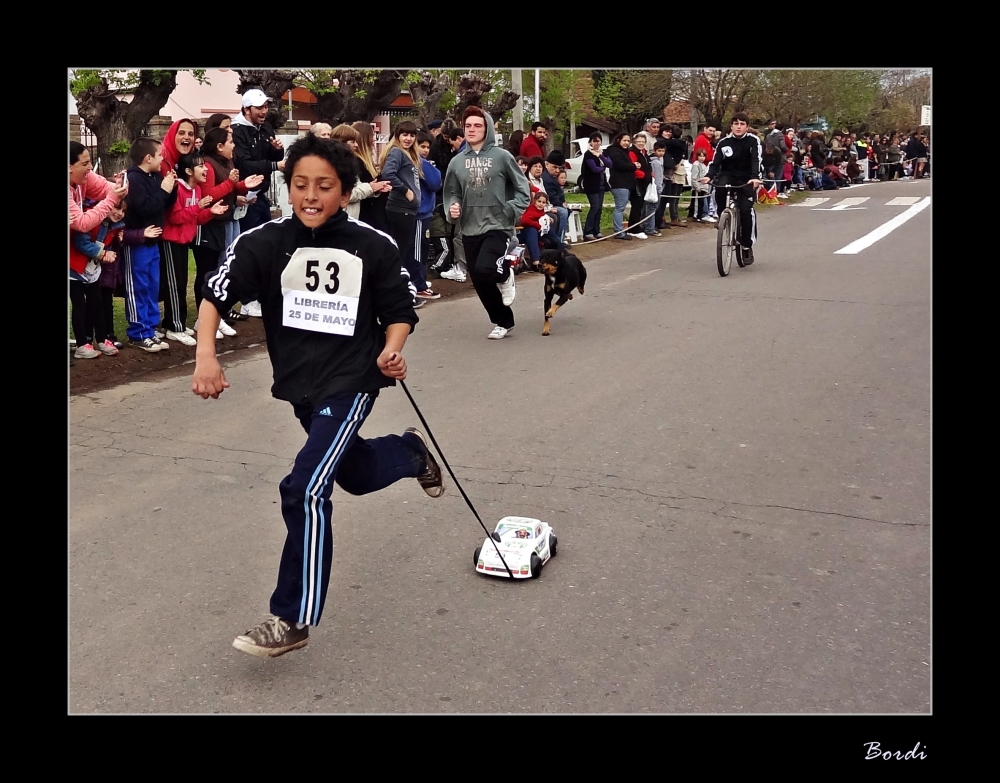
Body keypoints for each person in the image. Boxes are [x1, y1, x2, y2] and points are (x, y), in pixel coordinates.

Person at [192, 134, 443, 659]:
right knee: (353, 473)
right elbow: (216, 294)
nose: (311, 196)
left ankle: (293, 617)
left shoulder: (373, 245)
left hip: (352, 380)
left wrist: (391, 351)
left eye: (324, 186)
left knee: (304, 487)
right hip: (300, 385)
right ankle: (409, 452)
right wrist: (206, 357)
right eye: (301, 185)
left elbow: (400, 312)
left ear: (346, 192)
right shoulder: (262, 241)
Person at [442, 106, 530, 340]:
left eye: (477, 125)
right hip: (469, 226)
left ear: (487, 128)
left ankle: (504, 275)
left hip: (498, 225)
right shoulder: (457, 162)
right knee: (478, 277)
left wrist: (511, 210)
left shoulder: (502, 157)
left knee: (486, 268)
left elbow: (523, 189)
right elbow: (451, 193)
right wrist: (453, 207)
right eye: (468, 126)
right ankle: (503, 320)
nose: (471, 130)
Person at [192, 126, 265, 339]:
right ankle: (203, 319)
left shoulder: (227, 162)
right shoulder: (208, 163)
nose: (234, 145)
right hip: (207, 225)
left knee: (218, 268)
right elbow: (209, 195)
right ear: (219, 146)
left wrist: (242, 186)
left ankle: (217, 315)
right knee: (206, 271)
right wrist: (231, 183)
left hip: (221, 222)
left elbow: (229, 189)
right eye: (230, 142)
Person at [160, 151, 229, 345]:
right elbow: (175, 218)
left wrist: (209, 212)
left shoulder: (197, 190)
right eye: (200, 166)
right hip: (171, 241)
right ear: (189, 170)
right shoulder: (179, 189)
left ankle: (177, 323)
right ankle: (175, 327)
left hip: (184, 241)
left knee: (182, 283)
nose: (206, 169)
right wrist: (198, 207)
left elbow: (195, 219)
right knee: (175, 285)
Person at [231, 88, 286, 318]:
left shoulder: (265, 128)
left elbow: (274, 158)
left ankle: (262, 295)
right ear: (246, 109)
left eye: (265, 107)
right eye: (259, 108)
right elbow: (245, 164)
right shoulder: (237, 131)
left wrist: (278, 151)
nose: (264, 112)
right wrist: (274, 165)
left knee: (266, 246)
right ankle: (247, 298)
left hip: (260, 196)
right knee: (249, 247)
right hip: (244, 197)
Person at [123, 136, 177, 352]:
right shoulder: (134, 178)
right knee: (139, 287)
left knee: (153, 286)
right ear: (147, 158)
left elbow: (163, 205)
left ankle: (150, 328)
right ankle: (138, 332)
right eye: (160, 155)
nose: (163, 159)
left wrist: (171, 187)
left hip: (154, 241)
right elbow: (144, 207)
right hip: (138, 242)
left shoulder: (155, 176)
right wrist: (163, 190)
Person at [700, 112, 763, 265]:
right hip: (728, 175)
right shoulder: (724, 142)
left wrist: (755, 177)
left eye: (742, 124)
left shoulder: (753, 141)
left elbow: (756, 160)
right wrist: (709, 175)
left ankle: (747, 244)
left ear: (747, 127)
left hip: (747, 177)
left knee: (746, 210)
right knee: (719, 187)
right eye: (736, 124)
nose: (739, 127)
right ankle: (723, 217)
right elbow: (716, 162)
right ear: (731, 126)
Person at [379, 120, 428, 303]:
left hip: (408, 210)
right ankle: (400, 295)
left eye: (412, 135)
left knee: (402, 252)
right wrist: (405, 190)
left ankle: (401, 293)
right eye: (404, 134)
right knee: (400, 254)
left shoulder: (408, 154)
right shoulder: (397, 152)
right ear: (397, 135)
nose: (408, 138)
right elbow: (388, 174)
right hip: (400, 209)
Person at [415, 131, 442, 300]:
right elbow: (435, 182)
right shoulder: (419, 163)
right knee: (418, 251)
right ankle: (418, 284)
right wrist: (432, 168)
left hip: (424, 211)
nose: (425, 150)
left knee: (422, 249)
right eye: (422, 146)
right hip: (419, 212)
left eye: (427, 147)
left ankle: (420, 281)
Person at [351, 121, 390, 234]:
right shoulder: (357, 162)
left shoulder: (366, 162)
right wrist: (374, 187)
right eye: (372, 135)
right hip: (366, 216)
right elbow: (358, 189)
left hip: (373, 214)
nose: (374, 139)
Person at [605, 130, 636, 240]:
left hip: (625, 183)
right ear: (618, 140)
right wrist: (633, 166)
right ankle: (618, 231)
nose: (626, 143)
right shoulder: (614, 151)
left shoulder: (625, 151)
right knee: (620, 208)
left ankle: (620, 230)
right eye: (624, 140)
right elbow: (620, 165)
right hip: (619, 183)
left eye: (628, 141)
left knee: (621, 207)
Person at [581, 133, 610, 241]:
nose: (596, 143)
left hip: (601, 185)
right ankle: (587, 232)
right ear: (590, 142)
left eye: (598, 141)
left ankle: (596, 230)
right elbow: (595, 169)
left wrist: (600, 156)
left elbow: (610, 164)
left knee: (599, 209)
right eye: (594, 141)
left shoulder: (603, 152)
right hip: (591, 185)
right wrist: (603, 167)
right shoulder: (588, 154)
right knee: (594, 207)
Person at [542, 151, 570, 247]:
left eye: (559, 168)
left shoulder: (552, 177)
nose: (557, 171)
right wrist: (561, 203)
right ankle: (557, 240)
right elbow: (552, 198)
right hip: (547, 205)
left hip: (552, 204)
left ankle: (560, 239)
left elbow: (559, 194)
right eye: (554, 167)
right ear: (546, 164)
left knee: (565, 210)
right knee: (563, 212)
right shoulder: (546, 178)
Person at [627, 134, 652, 239]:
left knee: (640, 204)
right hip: (637, 182)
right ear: (634, 142)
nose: (641, 143)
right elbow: (634, 167)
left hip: (645, 182)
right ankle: (633, 228)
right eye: (639, 141)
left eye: (643, 141)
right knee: (637, 204)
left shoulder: (644, 153)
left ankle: (637, 225)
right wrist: (643, 174)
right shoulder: (632, 152)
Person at [689, 148, 713, 222]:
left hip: (703, 187)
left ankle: (700, 215)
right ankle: (696, 216)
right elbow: (694, 178)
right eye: (700, 156)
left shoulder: (703, 165)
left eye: (703, 156)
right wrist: (697, 187)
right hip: (698, 187)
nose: (702, 158)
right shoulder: (696, 165)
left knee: (701, 203)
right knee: (697, 203)